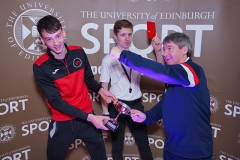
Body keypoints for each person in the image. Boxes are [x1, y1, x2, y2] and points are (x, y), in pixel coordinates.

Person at [110, 32, 213, 159]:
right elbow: (165, 104)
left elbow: (161, 70)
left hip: (194, 152)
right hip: (172, 149)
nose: (165, 54)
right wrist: (146, 117)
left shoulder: (191, 69)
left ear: (184, 49)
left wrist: (123, 54)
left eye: (170, 48)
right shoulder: (175, 76)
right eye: (164, 50)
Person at [33, 15, 117, 160]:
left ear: (64, 32)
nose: (56, 42)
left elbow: (88, 79)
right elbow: (56, 101)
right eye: (49, 39)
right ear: (42, 40)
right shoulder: (40, 66)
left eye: (58, 36)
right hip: (63, 121)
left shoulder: (78, 52)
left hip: (87, 118)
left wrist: (101, 90)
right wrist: (90, 117)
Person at [100, 19, 159, 160]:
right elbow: (104, 88)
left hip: (136, 104)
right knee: (117, 146)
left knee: (144, 143)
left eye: (129, 34)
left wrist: (158, 51)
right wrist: (105, 114)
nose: (127, 39)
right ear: (115, 35)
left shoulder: (137, 56)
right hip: (117, 105)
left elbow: (158, 71)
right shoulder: (108, 59)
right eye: (122, 35)